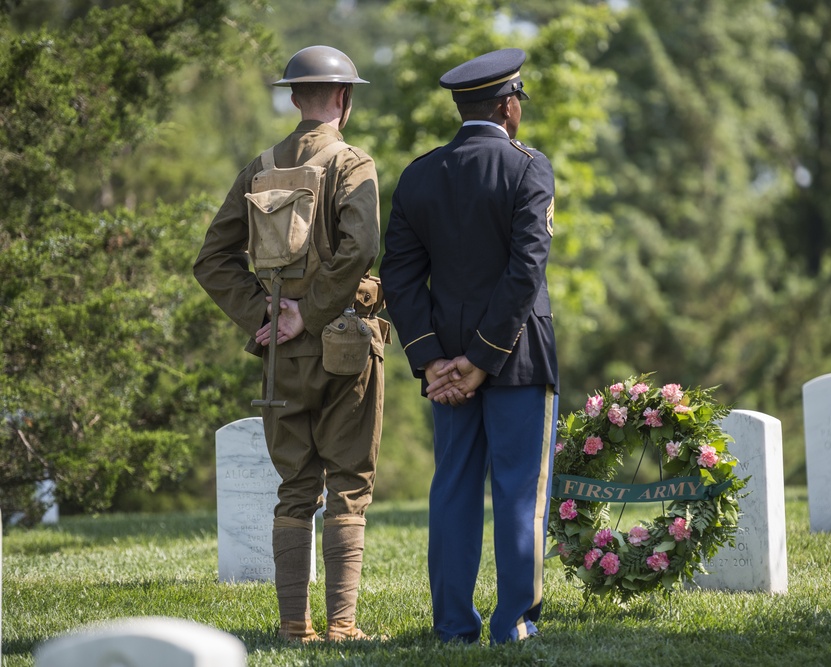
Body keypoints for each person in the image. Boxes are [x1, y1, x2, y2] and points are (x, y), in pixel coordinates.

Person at [193, 45, 386, 644]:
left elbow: (212, 260)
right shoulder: (354, 164)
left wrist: (267, 316)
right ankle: (342, 625)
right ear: (344, 99)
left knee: (295, 489)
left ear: (295, 97)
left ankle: (292, 625)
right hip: (346, 348)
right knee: (347, 484)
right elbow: (359, 251)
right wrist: (310, 313)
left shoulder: (259, 166)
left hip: (283, 359)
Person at [380, 48, 559, 645]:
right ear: (509, 107)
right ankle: (515, 625)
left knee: (453, 487)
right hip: (517, 358)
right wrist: (482, 360)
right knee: (517, 492)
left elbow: (400, 279)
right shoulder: (529, 168)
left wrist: (436, 360)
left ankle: (453, 626)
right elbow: (525, 270)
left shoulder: (419, 174)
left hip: (446, 368)